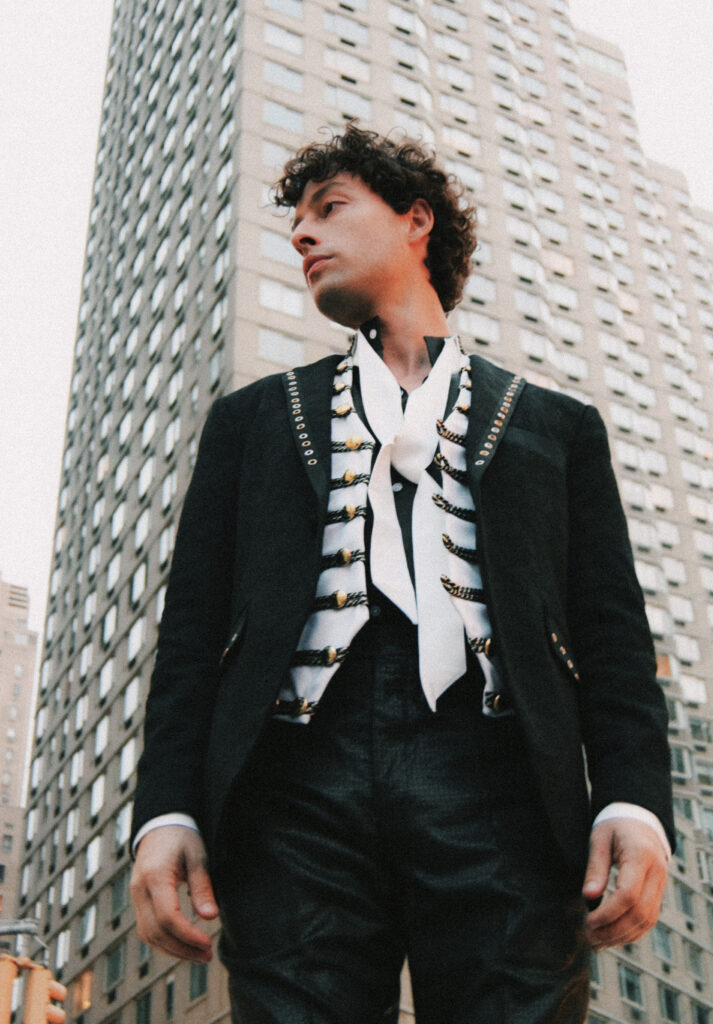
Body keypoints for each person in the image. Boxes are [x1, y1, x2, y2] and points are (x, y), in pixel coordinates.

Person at [130, 124, 674, 1024]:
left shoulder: (558, 427)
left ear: (416, 220)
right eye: (295, 222)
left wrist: (634, 801)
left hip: (502, 781)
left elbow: (613, 640)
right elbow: (191, 639)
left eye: (329, 209)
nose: (302, 235)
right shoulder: (253, 420)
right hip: (293, 787)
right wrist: (168, 815)